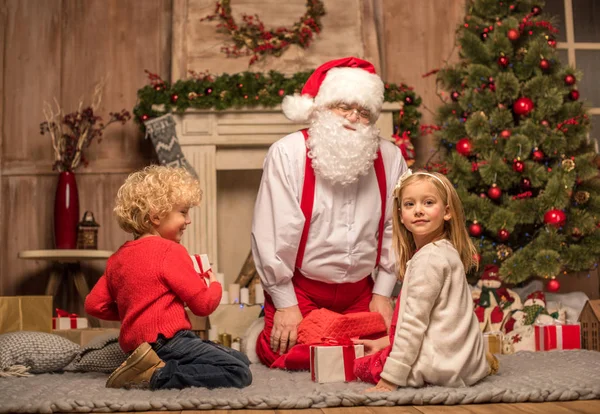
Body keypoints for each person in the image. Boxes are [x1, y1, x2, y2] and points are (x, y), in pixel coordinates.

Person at [251, 57, 408, 369]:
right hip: (303, 290)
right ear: (321, 108)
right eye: (342, 106)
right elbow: (271, 232)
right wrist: (285, 304)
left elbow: (396, 229)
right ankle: (270, 326)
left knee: (381, 350)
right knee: (287, 353)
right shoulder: (288, 153)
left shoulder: (390, 158)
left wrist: (383, 293)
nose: (352, 117)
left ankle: (336, 340)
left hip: (361, 294)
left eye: (363, 112)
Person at [84, 165, 252, 390]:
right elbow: (203, 305)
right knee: (239, 371)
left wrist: (132, 311)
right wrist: (214, 284)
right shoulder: (170, 251)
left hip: (137, 346)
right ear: (156, 216)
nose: (188, 220)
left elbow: (93, 305)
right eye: (183, 212)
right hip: (169, 341)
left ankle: (148, 365)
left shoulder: (117, 259)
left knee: (240, 359)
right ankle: (156, 375)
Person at [353, 170, 499, 390]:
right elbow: (437, 321)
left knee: (359, 367)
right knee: (382, 351)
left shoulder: (428, 260)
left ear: (447, 212)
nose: (419, 210)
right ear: (401, 215)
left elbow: (414, 323)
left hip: (439, 367)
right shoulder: (445, 251)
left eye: (428, 202)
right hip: (462, 363)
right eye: (410, 204)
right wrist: (385, 343)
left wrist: (390, 378)